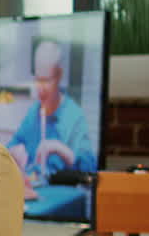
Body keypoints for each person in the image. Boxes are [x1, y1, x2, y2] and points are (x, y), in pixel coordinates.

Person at [6, 39, 97, 199]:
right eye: (37, 79)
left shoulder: (73, 117)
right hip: (32, 197)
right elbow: (13, 144)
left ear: (59, 75)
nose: (40, 88)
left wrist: (61, 149)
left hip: (62, 202)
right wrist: (13, 153)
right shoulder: (34, 113)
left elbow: (90, 170)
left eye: (46, 80)